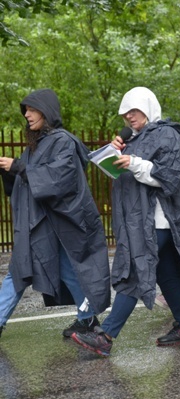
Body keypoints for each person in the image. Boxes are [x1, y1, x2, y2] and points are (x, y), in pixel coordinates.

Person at [71, 87, 180, 357]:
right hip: (143, 220)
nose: (129, 117)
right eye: (125, 113)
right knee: (164, 272)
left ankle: (106, 336)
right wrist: (114, 155)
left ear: (148, 108)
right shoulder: (135, 139)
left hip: (161, 220)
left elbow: (170, 178)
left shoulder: (165, 135)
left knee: (135, 269)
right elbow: (129, 179)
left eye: (134, 111)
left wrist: (133, 162)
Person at [0, 89, 111, 339]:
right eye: (25, 111)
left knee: (32, 271)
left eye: (31, 109)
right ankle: (87, 318)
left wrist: (19, 167)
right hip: (39, 222)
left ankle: (87, 319)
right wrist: (11, 172)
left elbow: (59, 178)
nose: (26, 115)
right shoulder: (36, 144)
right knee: (29, 270)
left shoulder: (62, 141)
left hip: (54, 222)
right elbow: (27, 179)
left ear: (46, 110)